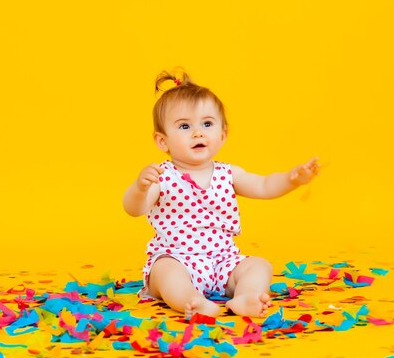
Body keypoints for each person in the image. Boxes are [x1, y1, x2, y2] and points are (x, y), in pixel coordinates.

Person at [123, 69, 320, 318]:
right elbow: (133, 208)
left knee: (259, 265)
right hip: (177, 258)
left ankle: (245, 296)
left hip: (222, 260)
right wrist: (139, 187)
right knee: (166, 274)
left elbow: (264, 186)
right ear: (163, 141)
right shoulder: (162, 176)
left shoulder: (229, 173)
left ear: (223, 134)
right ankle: (191, 300)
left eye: (207, 124)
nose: (198, 133)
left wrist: (293, 179)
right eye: (184, 126)